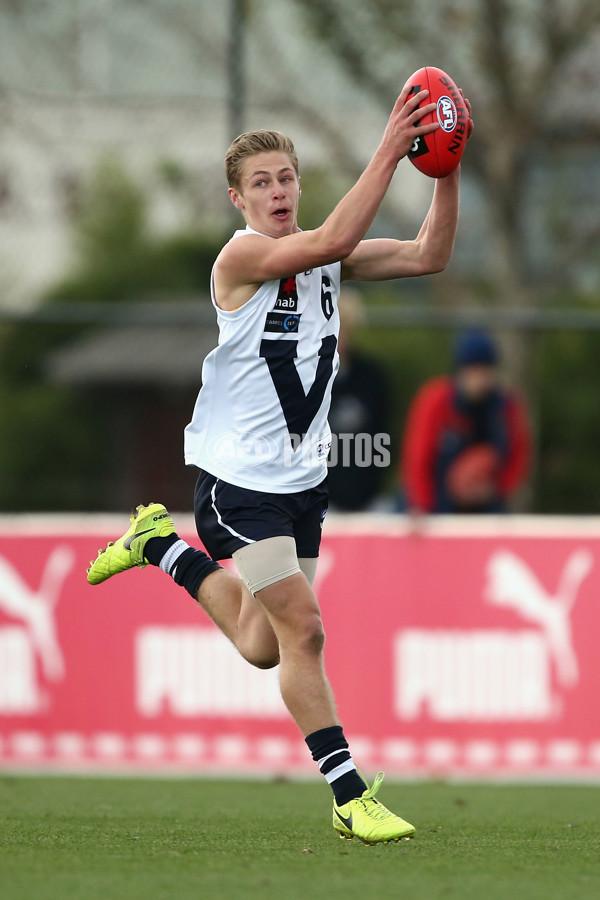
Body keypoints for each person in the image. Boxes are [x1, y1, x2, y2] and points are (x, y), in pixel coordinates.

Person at [87, 80, 472, 845]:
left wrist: (446, 166)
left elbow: (430, 254)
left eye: (286, 178)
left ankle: (156, 546)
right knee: (306, 631)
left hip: (302, 487)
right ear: (237, 200)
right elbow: (327, 242)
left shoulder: (330, 259)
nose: (277, 192)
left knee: (267, 646)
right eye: (260, 183)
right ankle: (347, 791)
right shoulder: (244, 257)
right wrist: (391, 150)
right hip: (238, 486)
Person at [400, 329, 531, 514]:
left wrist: (497, 489)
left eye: (485, 369)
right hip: (437, 501)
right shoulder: (436, 401)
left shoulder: (505, 408)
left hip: (486, 504)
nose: (479, 378)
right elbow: (417, 456)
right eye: (473, 369)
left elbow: (518, 455)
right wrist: (420, 504)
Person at [327, 290, 391, 511]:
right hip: (322, 500)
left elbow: (384, 435)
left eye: (342, 329)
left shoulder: (371, 377)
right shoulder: (307, 380)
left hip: (369, 498)